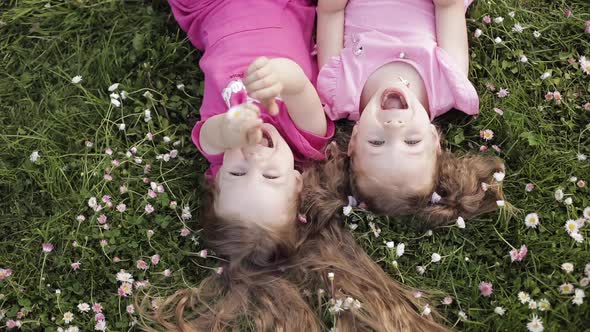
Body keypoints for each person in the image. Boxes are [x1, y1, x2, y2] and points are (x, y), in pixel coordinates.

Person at [316, 0, 504, 224]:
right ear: (434, 138)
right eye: (412, 141)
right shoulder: (447, 84)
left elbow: (330, 12)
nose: (394, 127)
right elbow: (448, 8)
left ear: (354, 140)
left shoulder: (339, 90)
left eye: (377, 142)